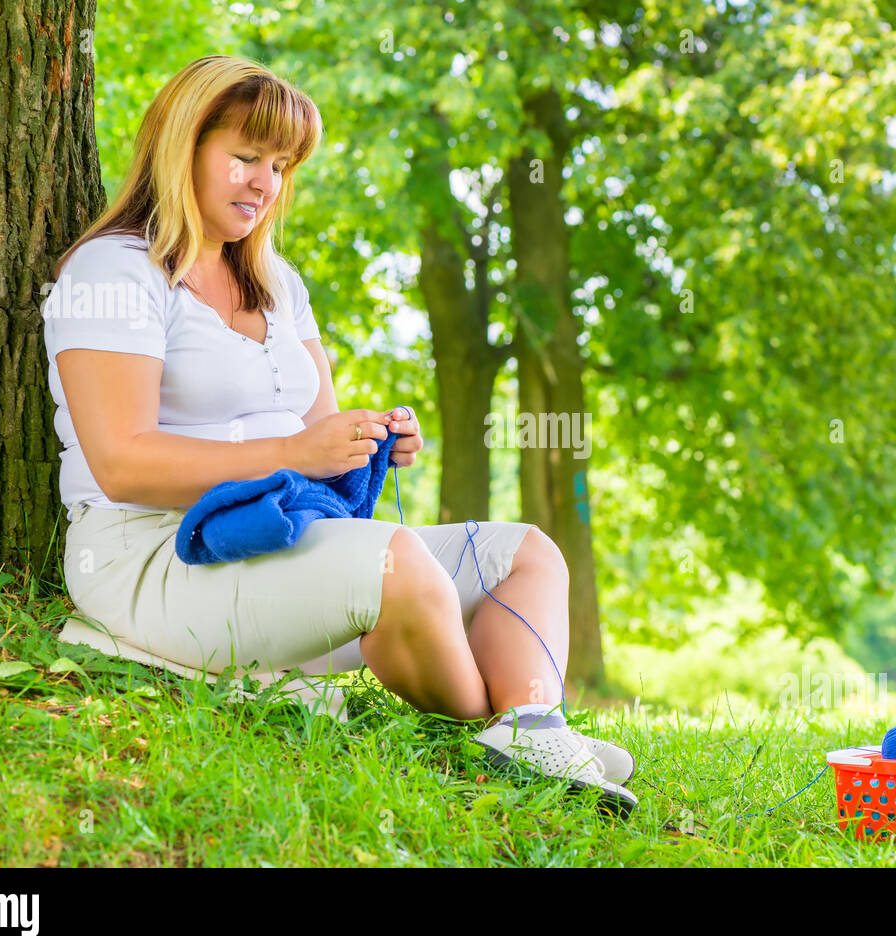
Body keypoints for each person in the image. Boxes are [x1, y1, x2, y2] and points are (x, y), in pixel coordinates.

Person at [41, 55, 637, 815]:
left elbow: (317, 432)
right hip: (156, 553)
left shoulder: (277, 283)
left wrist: (369, 435)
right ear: (181, 145)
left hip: (282, 527)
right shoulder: (115, 272)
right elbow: (121, 462)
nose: (265, 183)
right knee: (401, 567)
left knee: (525, 554)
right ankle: (514, 734)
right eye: (246, 157)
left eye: (282, 166)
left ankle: (528, 725)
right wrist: (297, 453)